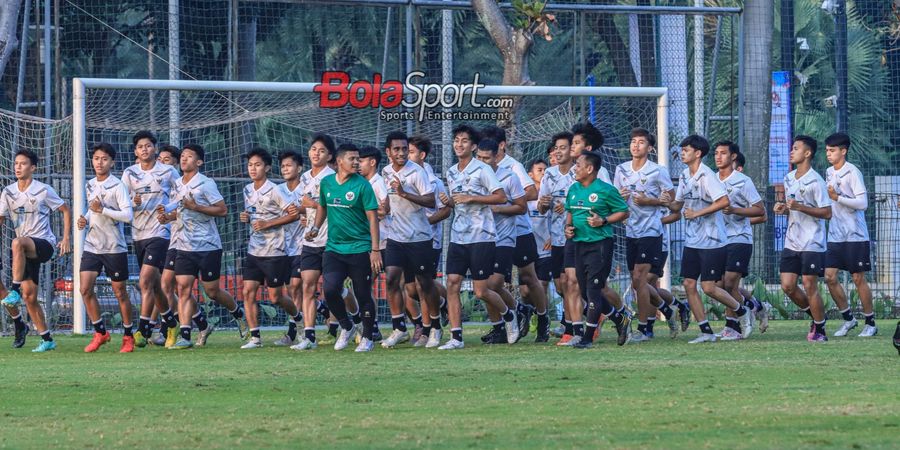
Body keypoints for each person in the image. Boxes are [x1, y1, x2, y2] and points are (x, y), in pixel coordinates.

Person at [668, 135, 752, 344]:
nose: (682, 153)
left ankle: (742, 310)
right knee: (688, 284)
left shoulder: (707, 176)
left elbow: (723, 201)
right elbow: (677, 206)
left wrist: (698, 213)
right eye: (682, 149)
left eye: (686, 150)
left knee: (708, 287)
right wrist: (666, 202)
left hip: (713, 241)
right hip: (692, 241)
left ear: (697, 153)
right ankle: (705, 331)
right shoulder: (685, 175)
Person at [441, 125, 517, 349]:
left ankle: (509, 316)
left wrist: (472, 198)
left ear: (473, 146)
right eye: (456, 140)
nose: (459, 144)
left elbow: (501, 197)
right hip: (458, 235)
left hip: (482, 236)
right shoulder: (452, 171)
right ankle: (456, 338)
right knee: (452, 284)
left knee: (481, 290)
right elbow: (459, 199)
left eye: (464, 141)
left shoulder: (483, 169)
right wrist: (451, 202)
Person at [163, 144, 244, 349]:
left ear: (198, 162)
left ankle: (237, 313)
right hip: (184, 245)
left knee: (212, 291)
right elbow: (179, 211)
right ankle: (186, 335)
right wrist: (167, 216)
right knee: (183, 288)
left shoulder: (206, 183)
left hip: (208, 245)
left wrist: (196, 207)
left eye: (189, 157)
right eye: (182, 156)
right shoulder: (176, 184)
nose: (184, 159)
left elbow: (223, 210)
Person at [304, 143, 382, 352]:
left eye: (358, 159)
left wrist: (375, 250)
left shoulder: (363, 185)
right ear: (339, 161)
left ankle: (367, 337)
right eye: (352, 159)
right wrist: (315, 227)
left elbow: (373, 219)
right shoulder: (327, 183)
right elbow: (322, 206)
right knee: (330, 290)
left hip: (359, 248)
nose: (357, 162)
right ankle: (346, 326)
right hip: (334, 248)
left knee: (363, 294)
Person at [0, 149, 71, 352]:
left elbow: (65, 210)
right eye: (16, 164)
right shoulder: (8, 192)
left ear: (33, 168)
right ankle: (47, 339)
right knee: (30, 297)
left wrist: (65, 238)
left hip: (44, 244)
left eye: (23, 164)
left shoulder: (43, 189)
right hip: (24, 252)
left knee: (17, 243)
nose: (18, 167)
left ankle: (13, 291)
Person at [480, 125, 547, 340]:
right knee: (492, 283)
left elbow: (532, 192)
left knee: (528, 277)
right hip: (491, 233)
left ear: (501, 146)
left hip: (519, 230)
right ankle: (503, 324)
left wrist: (504, 201)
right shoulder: (478, 168)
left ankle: (543, 319)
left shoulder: (513, 167)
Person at [613, 128, 678, 341]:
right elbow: (615, 203)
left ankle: (644, 329)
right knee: (636, 282)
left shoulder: (658, 171)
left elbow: (673, 203)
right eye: (633, 141)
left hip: (652, 231)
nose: (636, 145)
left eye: (641, 142)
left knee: (641, 280)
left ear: (649, 148)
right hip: (631, 231)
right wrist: (620, 199)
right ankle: (669, 310)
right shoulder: (621, 170)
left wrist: (650, 201)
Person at [563, 151, 630, 349]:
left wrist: (604, 220)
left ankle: (587, 337)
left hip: (600, 245)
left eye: (578, 165)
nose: (575, 168)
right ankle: (620, 319)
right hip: (579, 244)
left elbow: (624, 211)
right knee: (584, 292)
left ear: (590, 169)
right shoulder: (573, 189)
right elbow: (570, 212)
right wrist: (567, 229)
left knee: (593, 290)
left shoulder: (605, 190)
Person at [121, 131, 182, 348]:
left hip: (160, 233)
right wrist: (132, 201)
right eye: (140, 147)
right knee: (155, 285)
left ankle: (143, 329)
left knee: (144, 280)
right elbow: (123, 203)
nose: (144, 149)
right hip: (138, 234)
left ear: (154, 148)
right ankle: (171, 323)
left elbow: (181, 195)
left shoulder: (168, 171)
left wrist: (169, 208)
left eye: (148, 146)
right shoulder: (129, 173)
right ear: (135, 151)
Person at [380, 131, 440, 349]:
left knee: (424, 284)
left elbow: (431, 201)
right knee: (391, 279)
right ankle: (399, 328)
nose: (402, 152)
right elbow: (390, 196)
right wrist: (384, 207)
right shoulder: (386, 171)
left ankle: (435, 327)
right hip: (395, 237)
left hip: (419, 237)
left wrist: (405, 193)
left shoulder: (417, 172)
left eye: (405, 148)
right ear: (388, 152)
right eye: (397, 149)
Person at [239, 147, 303, 349]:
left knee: (276, 297)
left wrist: (268, 224)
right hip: (253, 250)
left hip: (274, 251)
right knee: (248, 292)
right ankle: (255, 338)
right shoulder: (247, 189)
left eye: (257, 165)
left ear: (266, 168)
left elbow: (293, 214)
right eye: (250, 165)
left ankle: (298, 317)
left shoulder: (276, 190)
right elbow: (255, 213)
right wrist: (247, 218)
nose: (253, 168)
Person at [77, 143, 135, 353]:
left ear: (112, 162)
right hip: (92, 245)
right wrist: (85, 217)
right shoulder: (90, 184)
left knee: (119, 292)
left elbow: (128, 216)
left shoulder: (117, 185)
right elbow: (92, 210)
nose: (99, 162)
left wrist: (104, 209)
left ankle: (128, 336)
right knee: (85, 289)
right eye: (96, 158)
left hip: (114, 247)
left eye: (104, 159)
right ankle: (100, 333)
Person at [775, 135, 831, 342]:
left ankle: (820, 331)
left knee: (809, 284)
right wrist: (782, 209)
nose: (792, 151)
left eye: (796, 148)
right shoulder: (789, 178)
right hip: (792, 241)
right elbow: (791, 208)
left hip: (812, 242)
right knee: (787, 286)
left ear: (807, 153)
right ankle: (817, 319)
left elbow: (827, 213)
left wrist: (800, 207)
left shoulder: (816, 181)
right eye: (792, 147)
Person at [823, 133, 877, 337]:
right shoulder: (828, 172)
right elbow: (830, 202)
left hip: (855, 234)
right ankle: (848, 319)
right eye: (827, 150)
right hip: (835, 235)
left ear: (843, 151)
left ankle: (870, 322)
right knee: (829, 277)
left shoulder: (853, 172)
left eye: (833, 150)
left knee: (857, 277)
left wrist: (838, 197)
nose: (829, 154)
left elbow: (862, 204)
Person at [475, 138, 528, 345]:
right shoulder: (474, 177)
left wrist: (499, 209)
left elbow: (521, 207)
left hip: (504, 238)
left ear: (497, 156)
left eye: (486, 158)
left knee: (493, 284)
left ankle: (515, 311)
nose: (481, 161)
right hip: (481, 237)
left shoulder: (509, 176)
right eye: (478, 157)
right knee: (486, 288)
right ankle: (500, 327)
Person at [714, 141, 766, 340]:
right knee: (716, 285)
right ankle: (754, 306)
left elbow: (760, 210)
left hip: (739, 238)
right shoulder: (710, 179)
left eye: (723, 153)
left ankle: (732, 327)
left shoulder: (743, 181)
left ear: (733, 157)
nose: (718, 157)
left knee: (728, 284)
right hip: (717, 240)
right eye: (716, 153)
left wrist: (735, 210)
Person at [292, 134, 336, 350]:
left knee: (333, 288)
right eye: (313, 149)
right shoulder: (305, 178)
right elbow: (306, 205)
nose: (316, 153)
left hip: (331, 240)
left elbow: (332, 207)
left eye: (321, 150)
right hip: (310, 240)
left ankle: (351, 323)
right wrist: (300, 210)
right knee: (307, 286)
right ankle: (309, 337)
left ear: (329, 156)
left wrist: (312, 205)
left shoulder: (333, 178)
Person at [407, 135, 451, 347]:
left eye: (411, 152)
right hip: (404, 238)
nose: (405, 156)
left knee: (422, 284)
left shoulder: (434, 181)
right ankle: (444, 303)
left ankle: (427, 330)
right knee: (410, 289)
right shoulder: (400, 177)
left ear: (422, 155)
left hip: (429, 240)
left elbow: (445, 210)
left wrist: (427, 222)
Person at [538, 132, 580, 344]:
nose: (558, 151)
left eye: (563, 147)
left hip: (577, 236)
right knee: (561, 285)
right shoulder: (549, 174)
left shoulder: (581, 172)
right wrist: (544, 204)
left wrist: (570, 207)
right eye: (556, 148)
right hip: (556, 238)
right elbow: (540, 207)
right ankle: (616, 314)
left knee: (571, 282)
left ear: (572, 150)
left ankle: (573, 329)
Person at [526, 158, 552, 342]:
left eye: (545, 170)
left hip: (545, 249)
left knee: (542, 286)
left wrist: (552, 236)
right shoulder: (525, 199)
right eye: (539, 170)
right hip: (528, 248)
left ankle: (544, 320)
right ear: (530, 175)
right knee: (526, 292)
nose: (543, 173)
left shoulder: (549, 197)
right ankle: (534, 312)